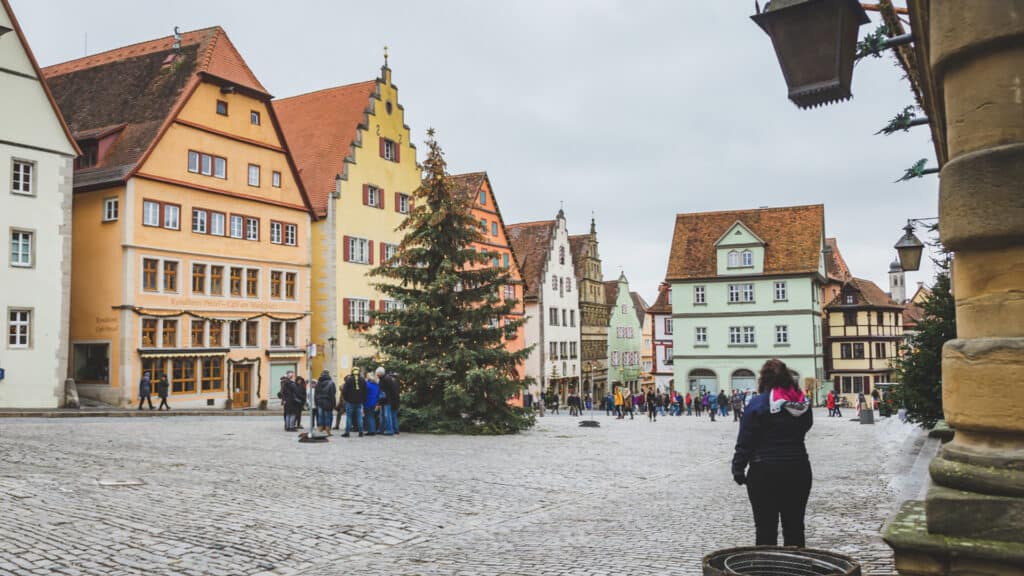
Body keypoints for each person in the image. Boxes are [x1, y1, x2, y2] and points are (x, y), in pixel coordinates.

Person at [731, 358, 813, 548]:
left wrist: (738, 468)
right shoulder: (801, 404)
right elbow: (806, 427)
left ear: (763, 380)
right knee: (794, 528)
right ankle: (795, 569)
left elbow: (745, 439)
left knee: (765, 529)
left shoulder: (757, 404)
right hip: (798, 468)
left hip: (763, 471)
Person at [341, 368, 366, 437]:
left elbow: (344, 391)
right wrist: (362, 399)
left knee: (349, 417)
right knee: (359, 417)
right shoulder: (362, 380)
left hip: (350, 401)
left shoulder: (349, 380)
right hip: (359, 402)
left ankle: (347, 432)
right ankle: (361, 432)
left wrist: (346, 399)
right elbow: (365, 391)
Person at [314, 370, 335, 435]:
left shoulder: (318, 383)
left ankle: (320, 430)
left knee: (320, 416)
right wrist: (333, 403)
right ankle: (327, 431)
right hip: (328, 402)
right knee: (327, 416)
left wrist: (316, 402)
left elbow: (316, 394)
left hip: (319, 402)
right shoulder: (331, 383)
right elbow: (332, 394)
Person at [364, 370, 381, 435]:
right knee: (372, 416)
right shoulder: (377, 385)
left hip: (368, 402)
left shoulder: (367, 384)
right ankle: (373, 430)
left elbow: (364, 393)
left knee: (368, 416)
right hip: (375, 402)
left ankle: (370, 431)